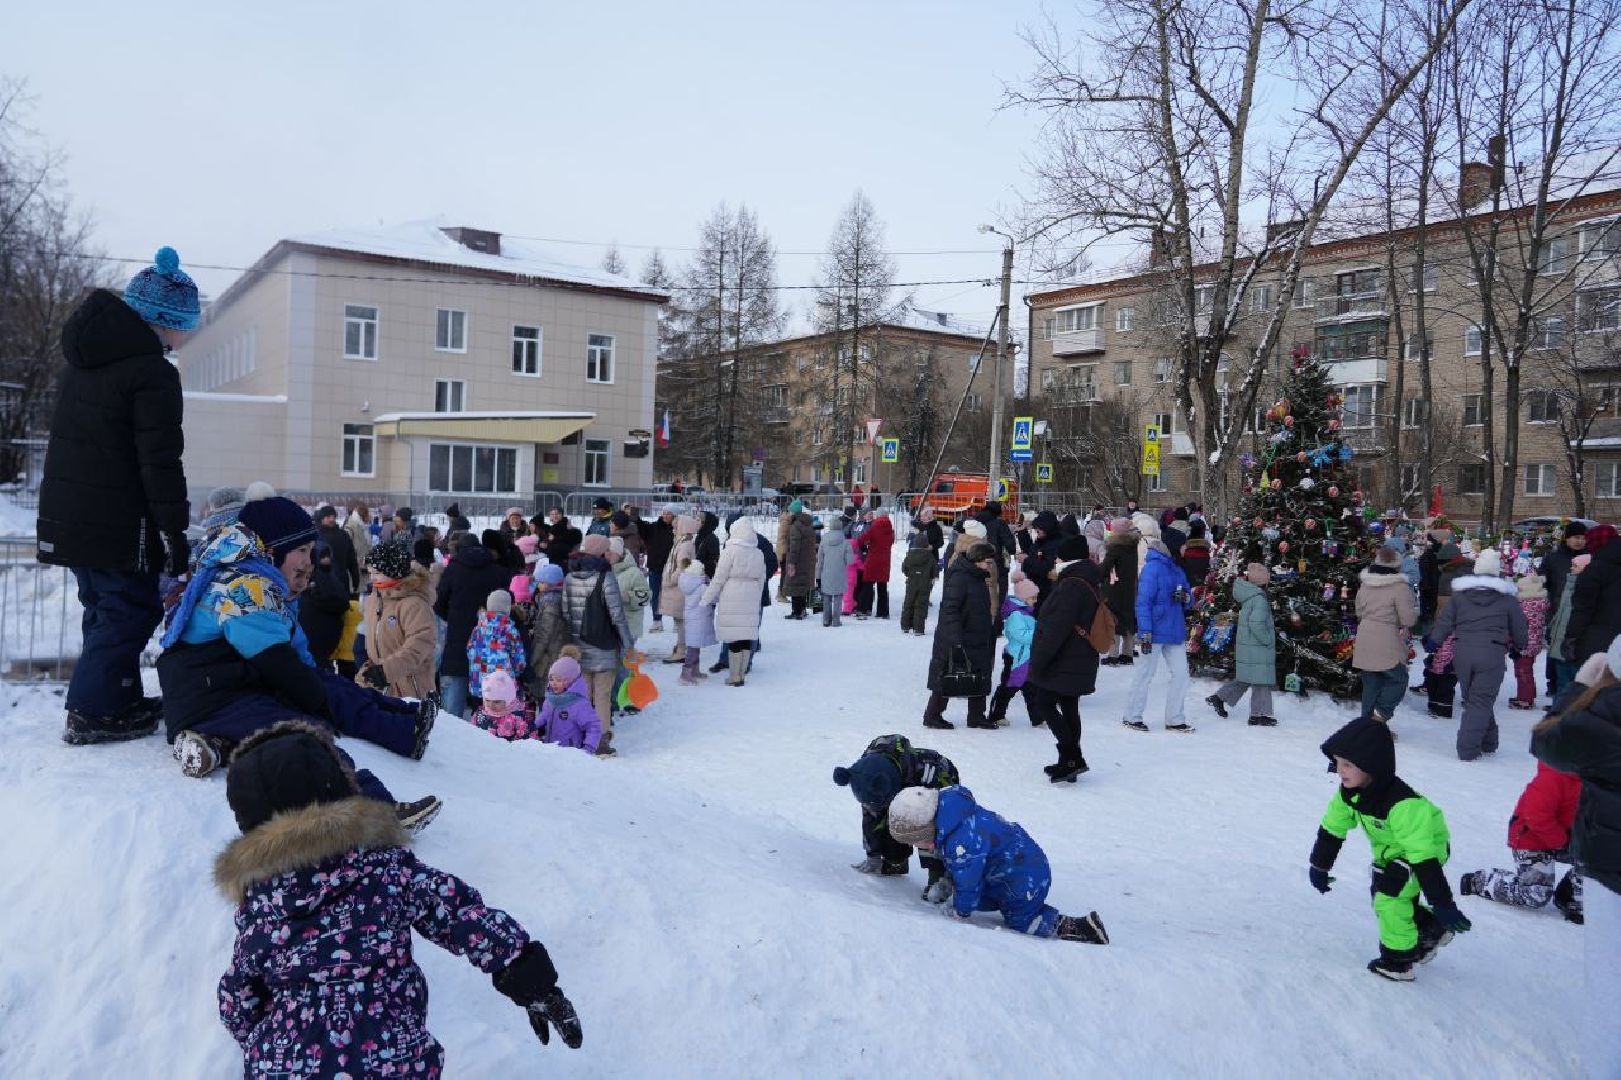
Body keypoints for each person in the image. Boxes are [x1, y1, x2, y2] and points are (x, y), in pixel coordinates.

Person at [215, 722, 581, 1075]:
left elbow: (237, 996)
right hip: (389, 1058)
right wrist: (528, 975)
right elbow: (456, 912)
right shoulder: (383, 869)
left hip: (284, 1065)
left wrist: (272, 1042)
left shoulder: (261, 906)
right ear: (343, 792)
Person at [155, 499, 439, 829]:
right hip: (208, 697)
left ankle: (406, 724)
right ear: (273, 549)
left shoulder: (260, 578)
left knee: (323, 690)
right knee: (302, 733)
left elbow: (291, 653)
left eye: (310, 550)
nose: (309, 561)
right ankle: (372, 809)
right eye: (301, 552)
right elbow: (278, 662)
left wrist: (319, 687)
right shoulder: (245, 588)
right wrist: (317, 702)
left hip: (232, 683)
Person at [41, 248, 197, 746]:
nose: (184, 338)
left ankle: (118, 695)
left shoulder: (84, 363)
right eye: (183, 326)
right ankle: (92, 712)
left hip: (72, 514)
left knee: (104, 608)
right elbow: (159, 460)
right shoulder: (151, 372)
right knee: (128, 609)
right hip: (115, 519)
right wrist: (174, 528)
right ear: (163, 322)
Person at [1307, 717, 1471, 981]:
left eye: (1348, 764)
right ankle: (1431, 929)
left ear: (1371, 765)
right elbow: (1332, 829)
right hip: (1392, 851)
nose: (1340, 770)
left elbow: (1423, 858)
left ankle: (1399, 961)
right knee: (1383, 896)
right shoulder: (1349, 793)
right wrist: (1319, 866)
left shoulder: (1403, 805)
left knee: (1390, 897)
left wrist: (1442, 902)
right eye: (1337, 762)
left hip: (1425, 849)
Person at [1531, 635, 1621, 1079]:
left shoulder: (1607, 713)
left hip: (1611, 867)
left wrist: (1584, 685)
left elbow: (1547, 741)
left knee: (1612, 984)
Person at [886, 785, 1108, 944]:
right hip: (1010, 866)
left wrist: (960, 913)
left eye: (918, 841)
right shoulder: (951, 815)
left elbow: (969, 883)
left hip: (1024, 878)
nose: (920, 847)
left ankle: (1073, 926)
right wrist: (949, 882)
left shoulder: (963, 843)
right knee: (977, 891)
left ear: (927, 829)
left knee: (1021, 920)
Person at [1427, 549, 1527, 761]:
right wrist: (1520, 646)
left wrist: (1435, 641)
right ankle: (1467, 749)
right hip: (1491, 652)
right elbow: (1519, 627)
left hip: (1462, 652)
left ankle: (1489, 742)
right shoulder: (1507, 599)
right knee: (1480, 701)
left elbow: (1445, 621)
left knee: (1476, 699)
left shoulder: (1460, 595)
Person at [833, 734, 960, 899]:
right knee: (888, 824)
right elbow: (871, 816)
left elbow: (939, 827)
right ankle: (896, 863)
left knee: (924, 825)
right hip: (894, 788)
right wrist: (873, 854)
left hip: (936, 789)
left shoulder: (929, 773)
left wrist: (937, 872)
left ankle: (938, 876)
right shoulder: (864, 773)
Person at [1459, 760, 1583, 923]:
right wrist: (1562, 841)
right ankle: (1480, 882)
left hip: (1566, 835)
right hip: (1531, 839)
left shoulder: (1597, 778)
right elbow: (1536, 816)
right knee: (1536, 894)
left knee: (1604, 856)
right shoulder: (1552, 778)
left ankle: (1570, 895)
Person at [1026, 536, 1103, 781]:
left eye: (1059, 556)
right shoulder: (1086, 578)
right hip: (1079, 655)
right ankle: (1069, 762)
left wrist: (1039, 662)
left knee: (1045, 703)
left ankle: (1072, 758)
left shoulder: (1072, 584)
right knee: (1069, 705)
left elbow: (1057, 627)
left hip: (1065, 656)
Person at [560, 533, 640, 753]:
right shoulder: (606, 577)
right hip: (604, 645)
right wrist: (628, 645)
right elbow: (617, 616)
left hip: (579, 645)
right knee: (603, 694)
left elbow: (566, 612)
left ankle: (582, 734)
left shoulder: (570, 577)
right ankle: (600, 740)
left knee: (583, 693)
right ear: (602, 552)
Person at [1120, 519, 1193, 733]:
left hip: (1175, 630)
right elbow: (1143, 603)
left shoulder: (1178, 568)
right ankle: (1132, 716)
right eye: (1183, 545)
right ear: (1173, 546)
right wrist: (1145, 632)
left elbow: (1189, 598)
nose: (1185, 548)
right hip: (1153, 631)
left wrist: (1185, 597)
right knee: (1145, 674)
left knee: (1181, 674)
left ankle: (1175, 718)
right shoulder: (1153, 568)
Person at [435, 532, 514, 719]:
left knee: (452, 710)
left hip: (457, 640)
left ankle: (450, 742)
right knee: (490, 711)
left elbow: (439, 604)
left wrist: (453, 617)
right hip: (490, 649)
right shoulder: (497, 571)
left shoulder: (452, 570)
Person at [923, 542, 998, 730]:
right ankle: (932, 715)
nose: (990, 566)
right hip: (958, 637)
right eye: (987, 562)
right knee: (947, 676)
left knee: (980, 674)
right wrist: (955, 640)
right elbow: (950, 610)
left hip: (977, 636)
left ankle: (977, 716)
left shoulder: (978, 577)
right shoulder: (960, 577)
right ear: (977, 560)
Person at [356, 538, 437, 701]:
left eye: (376, 573)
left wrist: (387, 670)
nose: (371, 578)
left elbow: (419, 645)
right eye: (370, 573)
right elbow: (373, 639)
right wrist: (369, 668)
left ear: (393, 572)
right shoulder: (374, 599)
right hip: (381, 687)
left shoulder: (414, 604)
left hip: (411, 688)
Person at [1350, 543, 1417, 725]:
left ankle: (1367, 727)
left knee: (1371, 683)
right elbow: (1407, 619)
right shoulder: (1400, 587)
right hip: (1387, 637)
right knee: (1398, 679)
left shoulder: (1365, 584)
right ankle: (1379, 717)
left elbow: (1358, 612)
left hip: (1365, 635)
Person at [1204, 563, 1278, 727]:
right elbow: (1256, 624)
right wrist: (1267, 639)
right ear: (1262, 582)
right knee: (1261, 680)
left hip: (1250, 645)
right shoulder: (1259, 599)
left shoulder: (1250, 597)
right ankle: (1259, 715)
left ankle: (1220, 697)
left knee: (1246, 678)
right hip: (1257, 646)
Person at [702, 517, 767, 687]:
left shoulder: (730, 551)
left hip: (732, 595)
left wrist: (706, 599)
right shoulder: (758, 553)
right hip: (751, 596)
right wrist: (755, 596)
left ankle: (734, 677)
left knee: (733, 638)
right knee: (746, 637)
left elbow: (718, 578)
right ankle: (741, 675)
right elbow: (762, 579)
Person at [1562, 523, 1620, 667]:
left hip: (1599, 642)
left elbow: (1582, 609)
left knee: (1598, 686)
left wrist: (1571, 638)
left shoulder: (1594, 570)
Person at [986, 576, 1039, 730]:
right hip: (1017, 659)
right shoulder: (1016, 615)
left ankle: (1037, 718)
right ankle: (997, 714)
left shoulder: (1026, 612)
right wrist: (1039, 633)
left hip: (1026, 658)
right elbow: (1020, 635)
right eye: (1033, 598)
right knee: (1007, 688)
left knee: (1032, 690)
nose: (1035, 601)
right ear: (1023, 598)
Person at [534, 646, 603, 754]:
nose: (554, 683)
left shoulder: (579, 704)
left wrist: (588, 747)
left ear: (570, 682)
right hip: (550, 751)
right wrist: (533, 725)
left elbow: (593, 726)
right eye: (551, 679)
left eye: (559, 680)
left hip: (571, 756)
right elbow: (544, 716)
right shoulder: (550, 699)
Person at [467, 588, 528, 708]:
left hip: (480, 683)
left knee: (480, 716)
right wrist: (515, 673)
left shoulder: (478, 628)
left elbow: (470, 651)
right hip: (502, 685)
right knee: (501, 718)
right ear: (508, 608)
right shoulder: (509, 629)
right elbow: (519, 659)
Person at [296, 540, 350, 673]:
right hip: (324, 638)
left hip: (316, 638)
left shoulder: (311, 579)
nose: (326, 559)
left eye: (327, 555)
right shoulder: (331, 578)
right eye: (323, 556)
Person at [1548, 553, 1591, 695]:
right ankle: (1559, 713)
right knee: (1562, 683)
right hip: (1562, 643)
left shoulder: (1585, 588)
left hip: (1572, 645)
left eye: (1575, 566)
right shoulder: (1569, 584)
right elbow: (1561, 613)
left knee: (1574, 685)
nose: (1571, 568)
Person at [1098, 517, 1139, 665]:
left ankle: (1113, 655)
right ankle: (1127, 653)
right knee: (1127, 619)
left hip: (1114, 589)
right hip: (1129, 588)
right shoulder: (1132, 546)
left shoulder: (1115, 548)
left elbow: (1105, 569)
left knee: (1113, 620)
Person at [659, 515, 699, 662]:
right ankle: (680, 647)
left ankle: (681, 650)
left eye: (676, 526)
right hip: (677, 588)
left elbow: (683, 566)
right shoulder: (681, 543)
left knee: (681, 621)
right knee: (679, 621)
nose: (673, 529)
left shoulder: (684, 545)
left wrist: (670, 579)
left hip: (678, 589)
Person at [1510, 574, 1549, 709]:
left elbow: (1517, 626)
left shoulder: (1525, 606)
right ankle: (1526, 695)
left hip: (1524, 645)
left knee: (1523, 672)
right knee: (1525, 670)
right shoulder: (1540, 604)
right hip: (1533, 644)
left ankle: (1526, 699)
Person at [469, 668, 538, 741]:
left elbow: (529, 742)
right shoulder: (479, 715)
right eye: (487, 700)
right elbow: (472, 736)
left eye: (497, 702)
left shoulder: (519, 718)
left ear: (508, 699)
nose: (491, 705)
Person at [678, 555, 717, 684]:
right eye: (702, 571)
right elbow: (713, 598)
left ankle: (695, 670)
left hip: (692, 619)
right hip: (699, 620)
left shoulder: (688, 585)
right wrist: (710, 583)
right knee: (693, 649)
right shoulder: (701, 587)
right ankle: (686, 672)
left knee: (695, 647)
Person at [1017, 511, 1064, 610]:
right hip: (1037, 590)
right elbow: (1032, 552)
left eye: (1039, 528)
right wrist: (1022, 532)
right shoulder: (1043, 540)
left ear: (1047, 528)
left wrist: (1026, 560)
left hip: (1047, 593)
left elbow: (1046, 567)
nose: (1036, 530)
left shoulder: (1056, 544)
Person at [610, 536, 652, 645]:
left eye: (610, 552)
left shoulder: (634, 573)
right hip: (609, 625)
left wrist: (629, 597)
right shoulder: (605, 571)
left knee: (625, 656)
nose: (607, 555)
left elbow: (646, 597)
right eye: (605, 552)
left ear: (619, 553)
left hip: (629, 625)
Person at [855, 510, 896, 618]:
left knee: (867, 585)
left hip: (873, 560)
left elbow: (862, 540)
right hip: (885, 561)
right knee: (882, 587)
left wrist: (865, 547)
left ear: (878, 516)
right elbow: (891, 542)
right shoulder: (891, 530)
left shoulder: (874, 527)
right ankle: (883, 612)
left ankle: (862, 609)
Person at [314, 505, 361, 598]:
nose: (331, 519)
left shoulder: (342, 535)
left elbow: (352, 559)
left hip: (334, 581)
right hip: (327, 582)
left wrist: (356, 580)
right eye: (328, 516)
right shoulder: (316, 536)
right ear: (322, 519)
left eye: (333, 516)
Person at [816, 513, 854, 627]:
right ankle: (836, 621)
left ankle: (826, 620)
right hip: (840, 573)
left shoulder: (824, 540)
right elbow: (850, 560)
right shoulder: (845, 541)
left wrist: (818, 576)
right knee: (838, 597)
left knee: (827, 597)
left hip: (826, 572)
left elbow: (820, 560)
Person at [899, 521, 936, 636]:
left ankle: (905, 626)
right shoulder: (930, 556)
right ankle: (918, 629)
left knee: (908, 603)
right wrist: (932, 577)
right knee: (921, 605)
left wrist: (909, 574)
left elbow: (904, 568)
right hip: (925, 584)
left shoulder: (910, 555)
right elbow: (934, 570)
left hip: (911, 582)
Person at [782, 505, 819, 620]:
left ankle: (796, 611)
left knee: (795, 585)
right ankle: (802, 609)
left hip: (797, 560)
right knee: (803, 585)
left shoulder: (795, 526)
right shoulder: (809, 523)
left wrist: (791, 562)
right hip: (808, 559)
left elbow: (794, 546)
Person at [644, 506, 676, 629]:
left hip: (672, 567)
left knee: (674, 595)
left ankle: (676, 621)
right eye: (664, 513)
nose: (666, 515)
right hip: (655, 566)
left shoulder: (678, 528)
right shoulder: (655, 527)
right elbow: (643, 529)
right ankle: (657, 621)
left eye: (669, 513)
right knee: (655, 594)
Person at [1178, 519, 1212, 586]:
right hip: (1201, 584)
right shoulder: (1205, 550)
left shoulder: (1183, 549)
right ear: (1202, 533)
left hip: (1188, 583)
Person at [343, 501, 372, 569]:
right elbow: (346, 545)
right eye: (368, 513)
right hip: (357, 565)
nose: (369, 516)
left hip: (363, 563)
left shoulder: (362, 526)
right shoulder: (352, 526)